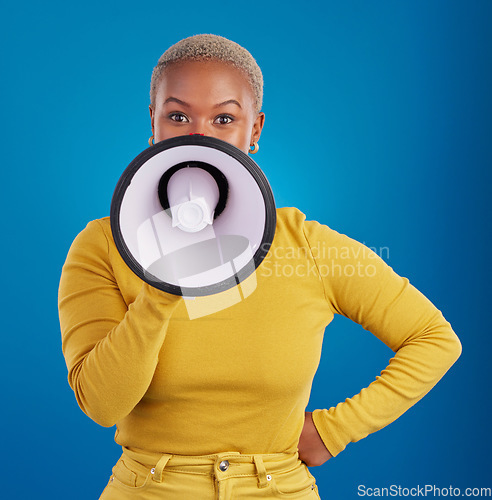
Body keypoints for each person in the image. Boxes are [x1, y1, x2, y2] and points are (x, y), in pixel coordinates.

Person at [58, 34, 462, 499]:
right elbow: (102, 405)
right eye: (177, 116)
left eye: (224, 118)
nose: (198, 136)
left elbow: (434, 339)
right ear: (153, 123)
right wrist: (162, 289)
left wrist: (335, 430)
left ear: (254, 131)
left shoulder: (308, 247)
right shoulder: (105, 245)